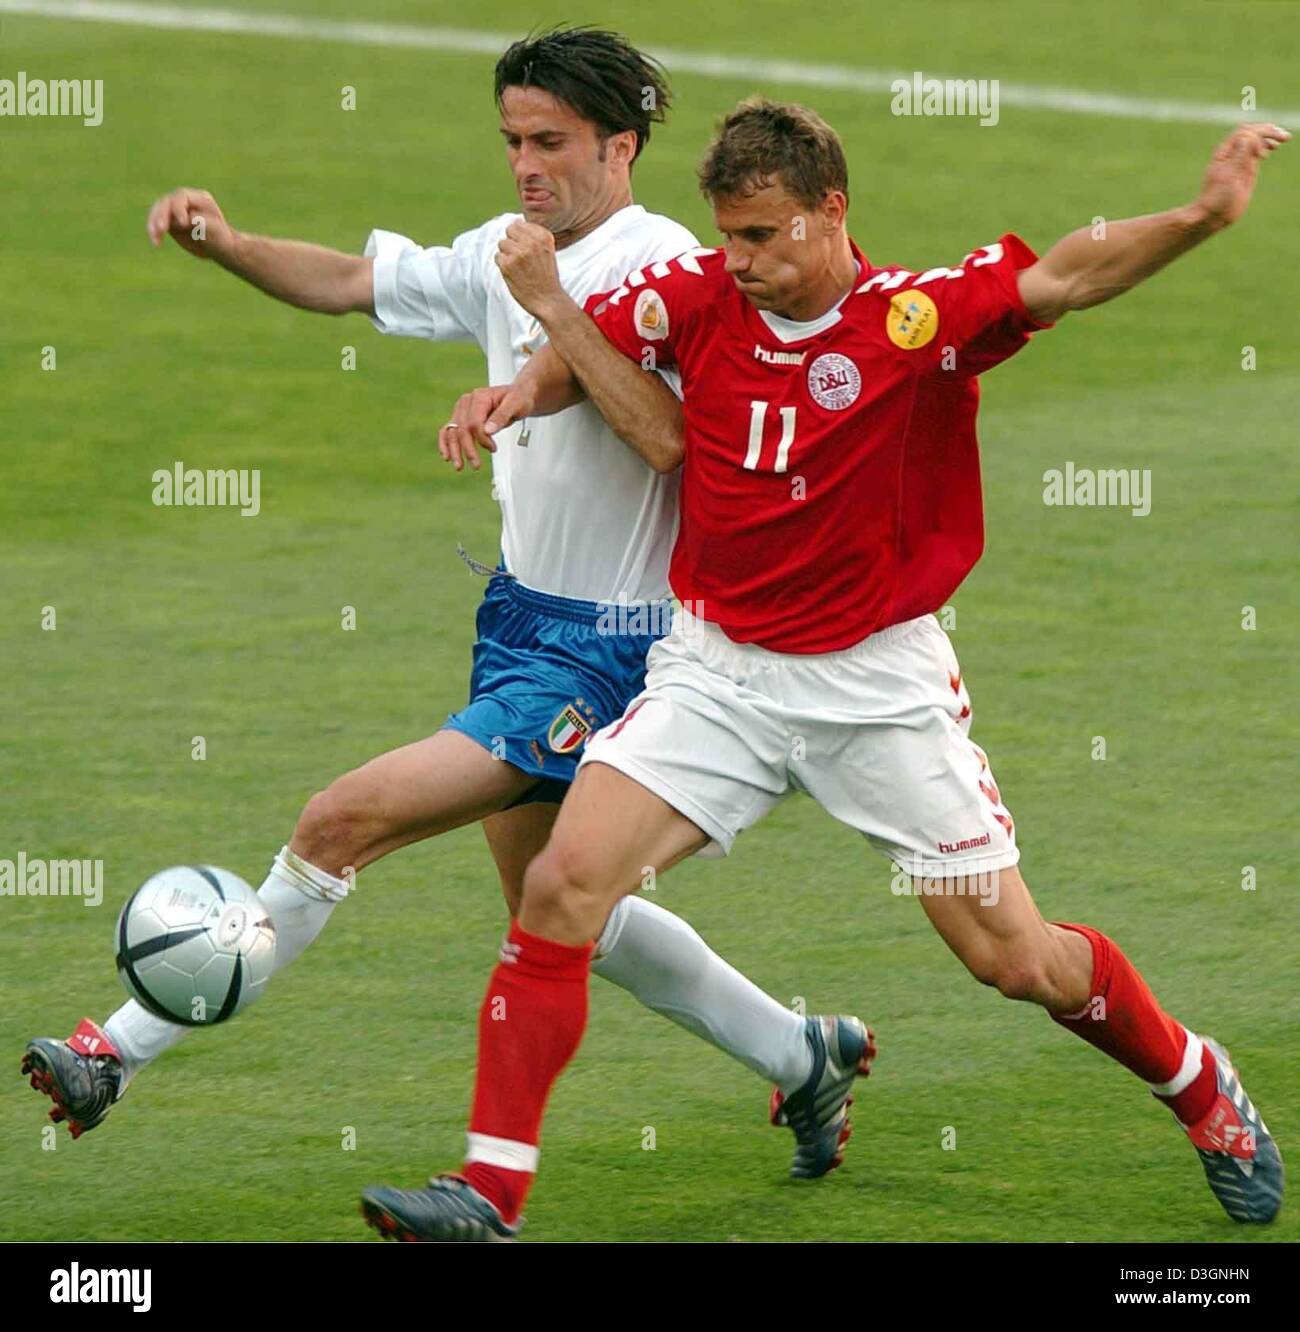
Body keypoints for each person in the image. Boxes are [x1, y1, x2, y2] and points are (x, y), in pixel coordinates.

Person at [368, 98, 1289, 1240]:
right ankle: (487, 1193)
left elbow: (1065, 276)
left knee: (1018, 962)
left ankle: (1197, 1083)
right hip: (718, 675)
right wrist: (525, 387)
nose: (739, 261)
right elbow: (593, 346)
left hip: (876, 691)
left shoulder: (912, 321)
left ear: (830, 211)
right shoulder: (700, 292)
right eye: (729, 235)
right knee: (560, 888)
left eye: (762, 236)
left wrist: (1204, 215)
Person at [22, 40, 873, 1186]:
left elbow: (671, 440)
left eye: (551, 143)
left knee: (339, 823)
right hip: (519, 625)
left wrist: (532, 360)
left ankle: (111, 1053)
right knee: (555, 907)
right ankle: (800, 1050)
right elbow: (351, 281)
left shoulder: (667, 266)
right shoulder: (502, 249)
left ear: (621, 146)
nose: (526, 166)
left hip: (612, 651)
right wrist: (224, 244)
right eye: (513, 141)